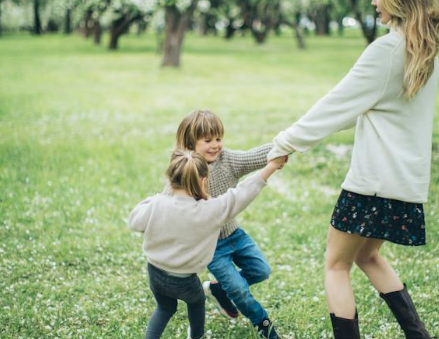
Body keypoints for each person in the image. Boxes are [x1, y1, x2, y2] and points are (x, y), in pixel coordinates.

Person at [267, 0, 439, 338]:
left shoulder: (387, 51)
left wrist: (283, 143)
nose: (374, 1)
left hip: (370, 186)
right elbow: (358, 108)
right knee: (369, 257)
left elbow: (333, 106)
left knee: (336, 265)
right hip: (403, 186)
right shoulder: (426, 49)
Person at [128, 150, 285, 339]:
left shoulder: (157, 204)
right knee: (196, 303)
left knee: (164, 308)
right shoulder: (210, 211)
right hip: (185, 280)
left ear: (170, 180)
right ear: (203, 182)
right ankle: (196, 336)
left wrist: (155, 199)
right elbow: (242, 193)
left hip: (155, 274)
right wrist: (271, 166)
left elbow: (134, 221)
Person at [173, 110, 283, 339]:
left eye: (218, 139)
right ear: (191, 143)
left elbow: (254, 155)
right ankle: (265, 326)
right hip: (211, 245)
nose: (215, 145)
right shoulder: (186, 169)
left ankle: (217, 289)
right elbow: (172, 202)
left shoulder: (229, 160)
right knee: (239, 291)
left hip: (235, 235)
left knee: (262, 271)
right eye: (207, 140)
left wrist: (282, 146)